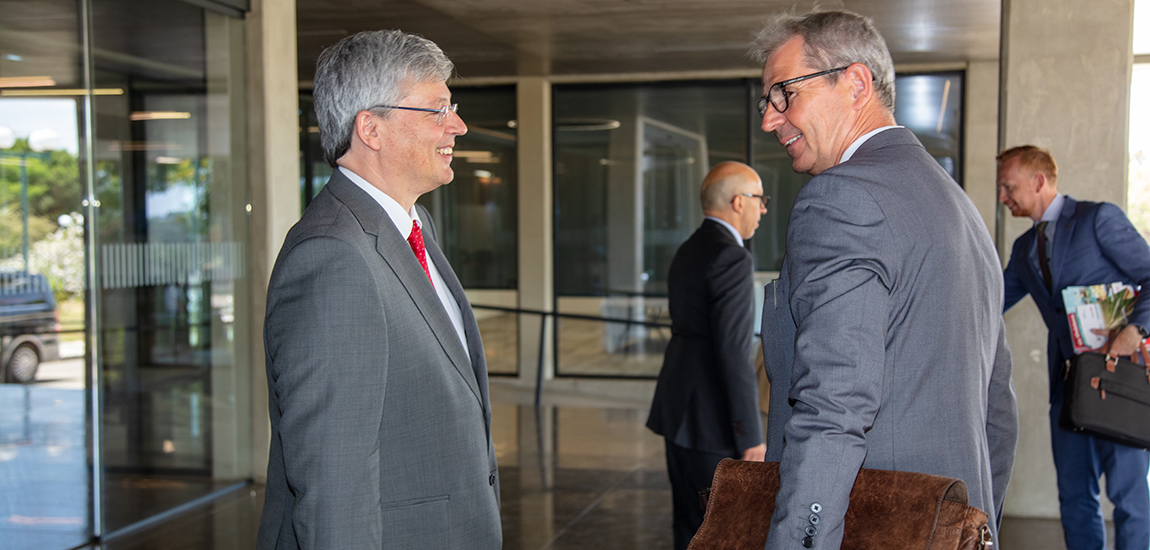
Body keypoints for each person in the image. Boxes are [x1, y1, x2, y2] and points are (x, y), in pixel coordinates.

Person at [752, 9, 1018, 549]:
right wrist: (963, 529)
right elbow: (999, 414)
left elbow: (832, 407)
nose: (770, 120)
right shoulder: (962, 210)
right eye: (767, 101)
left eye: (784, 94)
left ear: (854, 83)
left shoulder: (841, 199)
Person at [258, 30, 501, 549]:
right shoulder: (332, 258)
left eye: (451, 107)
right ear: (370, 128)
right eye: (437, 110)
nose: (456, 125)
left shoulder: (415, 228)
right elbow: (333, 478)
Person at [999, 145, 1150, 550]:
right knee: (1074, 499)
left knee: (1130, 499)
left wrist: (1136, 328)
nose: (1003, 197)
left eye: (1008, 186)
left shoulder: (1098, 219)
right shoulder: (1023, 249)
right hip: (1067, 389)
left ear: (1038, 181)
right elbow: (989, 300)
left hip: (1119, 383)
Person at [647, 161, 769, 550]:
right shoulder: (732, 258)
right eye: (759, 199)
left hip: (678, 409)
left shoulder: (689, 248)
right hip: (711, 422)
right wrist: (751, 436)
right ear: (738, 202)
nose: (763, 209)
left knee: (688, 524)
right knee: (722, 531)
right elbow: (733, 353)